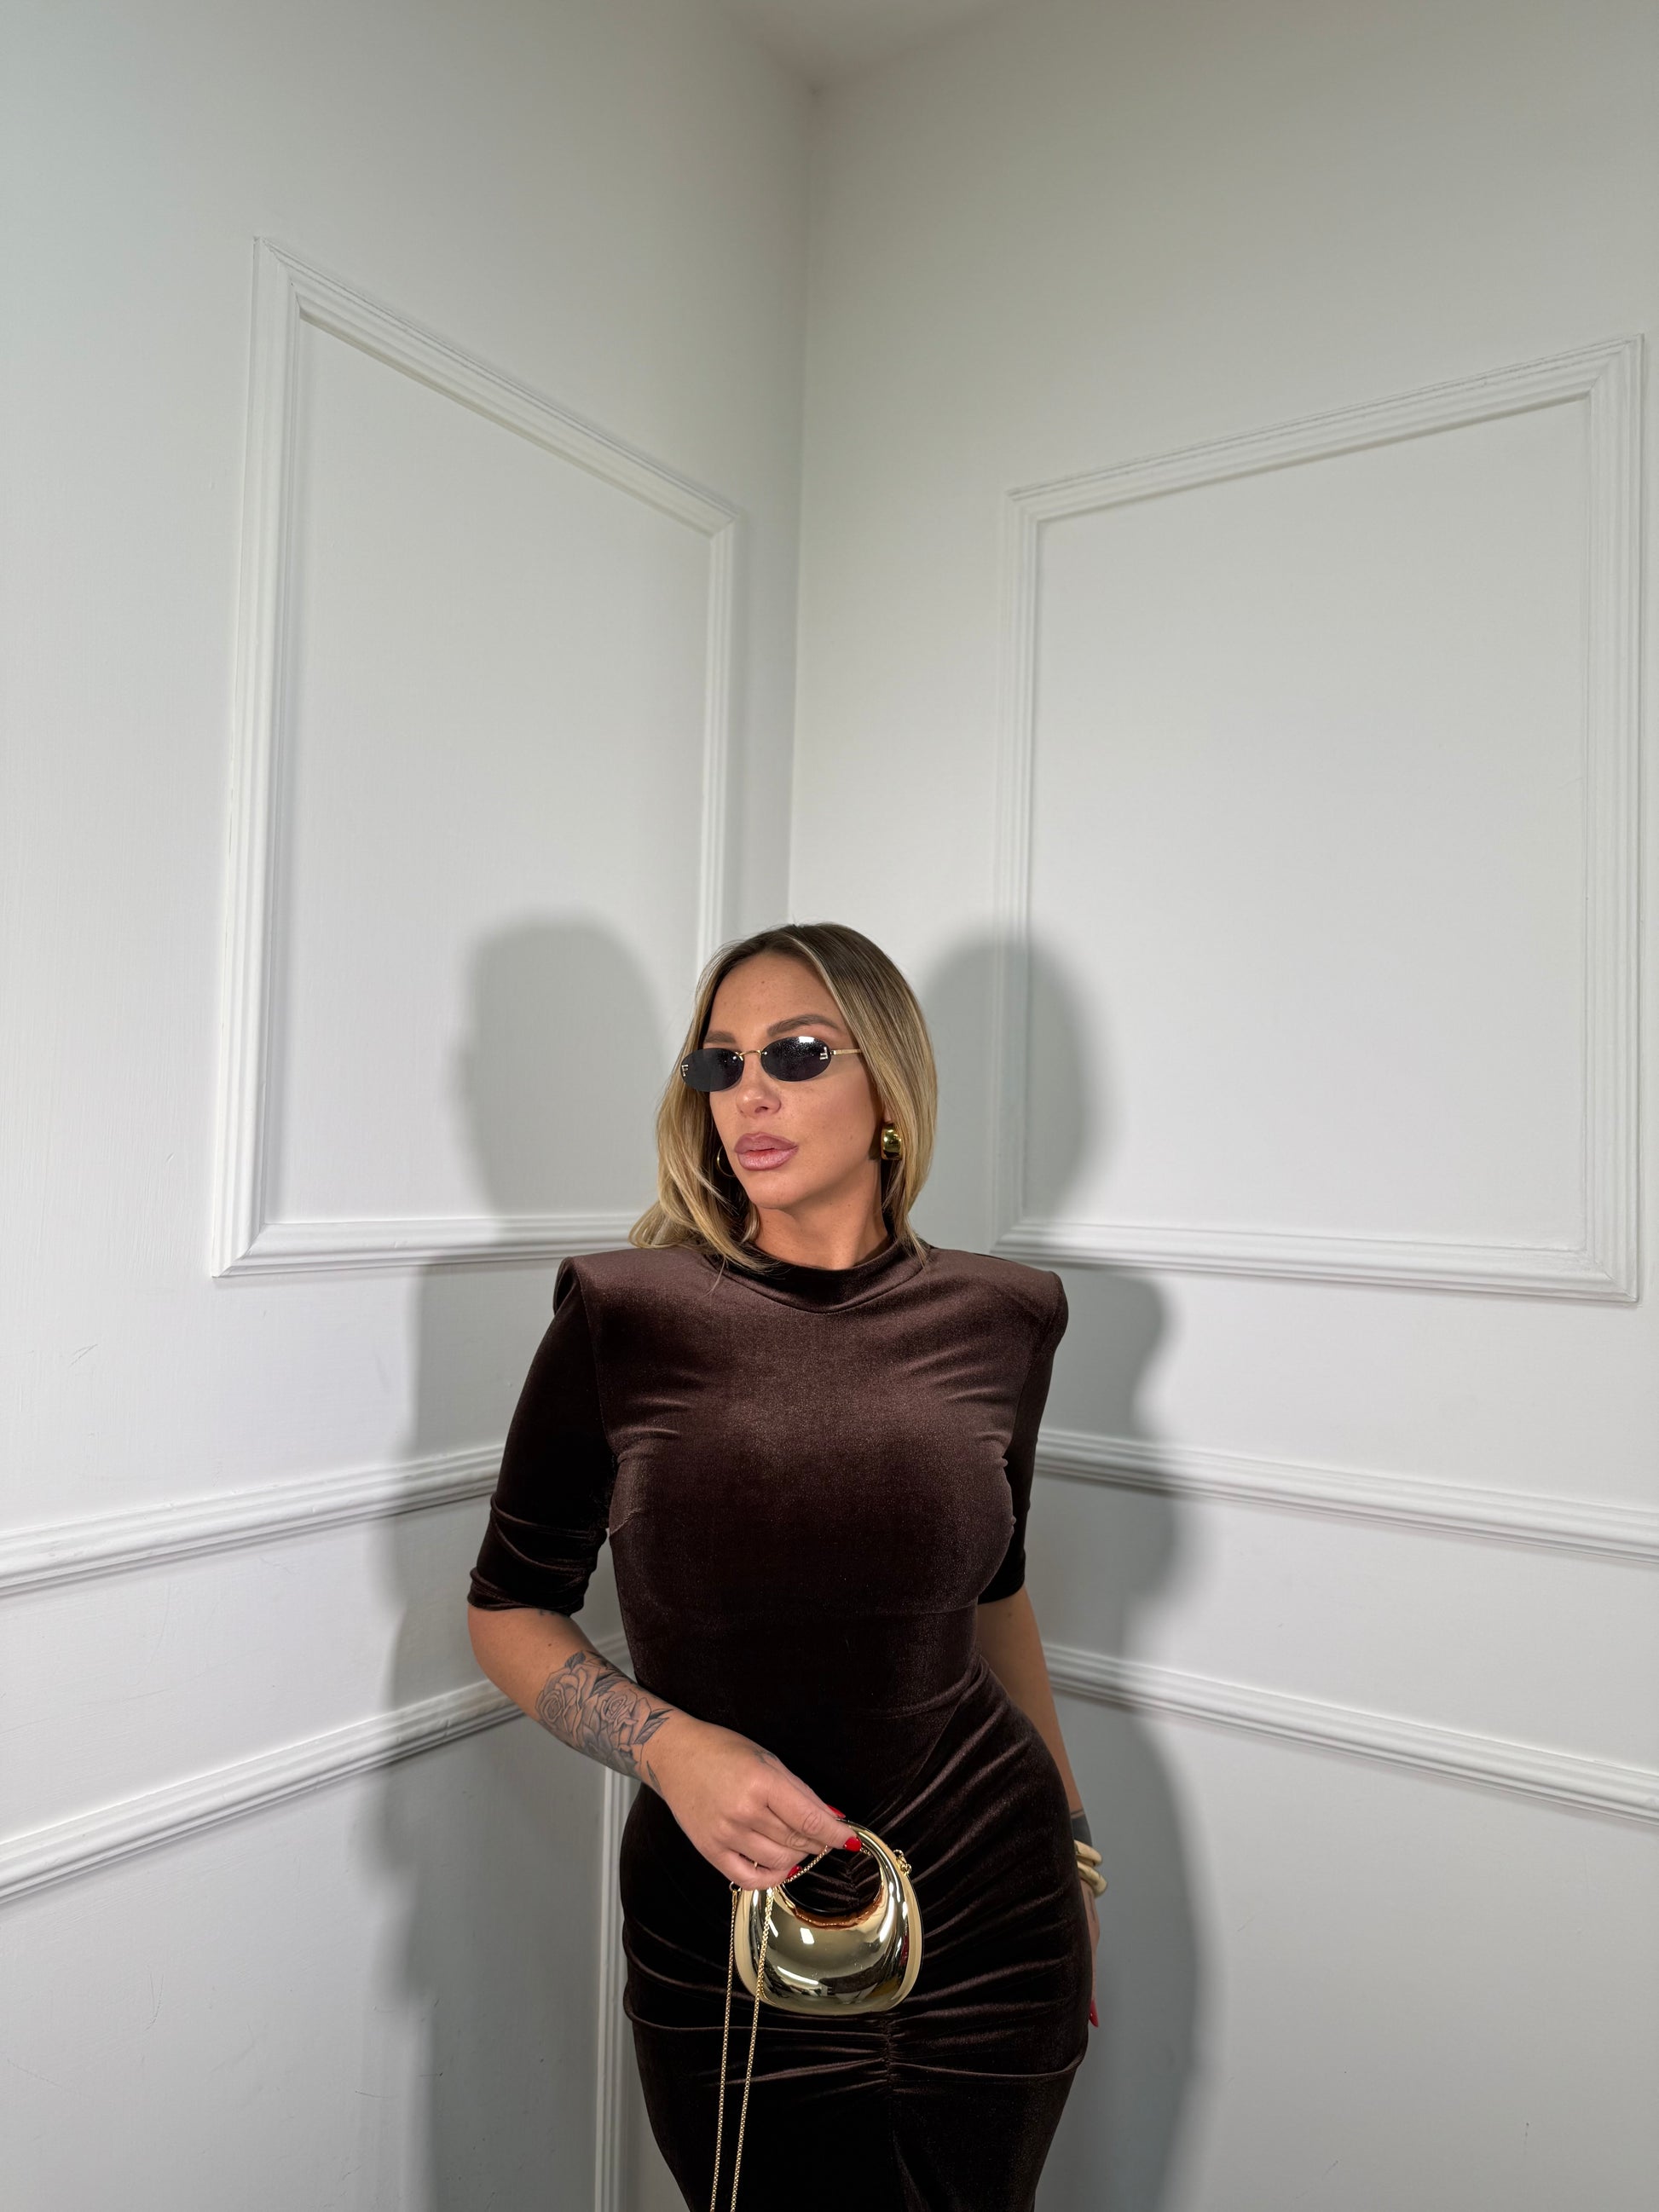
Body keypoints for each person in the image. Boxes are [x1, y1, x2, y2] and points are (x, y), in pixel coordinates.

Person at [465, 921, 1102, 2210]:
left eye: (797, 1054)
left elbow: (995, 1595)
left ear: (889, 1089)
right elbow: (508, 1609)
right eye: (720, 1063)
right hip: (730, 1924)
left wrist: (1077, 1856)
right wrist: (669, 1750)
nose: (748, 1092)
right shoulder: (624, 1316)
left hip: (995, 1903)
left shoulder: (1006, 1318)